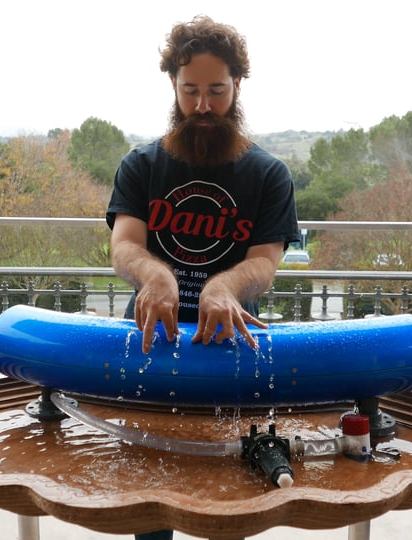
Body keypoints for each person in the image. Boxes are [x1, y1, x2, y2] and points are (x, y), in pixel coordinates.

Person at [106, 15, 301, 540]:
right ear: (173, 85)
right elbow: (124, 245)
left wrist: (224, 285)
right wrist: (155, 274)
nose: (203, 105)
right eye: (190, 90)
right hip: (148, 346)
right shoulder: (141, 165)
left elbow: (265, 260)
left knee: (229, 497)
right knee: (148, 497)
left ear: (238, 85)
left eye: (216, 90)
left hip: (230, 350)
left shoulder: (269, 175)